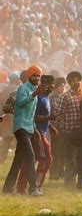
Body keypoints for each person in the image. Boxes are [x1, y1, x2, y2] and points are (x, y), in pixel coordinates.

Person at [2, 66, 46, 196]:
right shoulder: (23, 88)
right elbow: (20, 104)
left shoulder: (34, 90)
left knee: (18, 159)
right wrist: (34, 94)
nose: (37, 78)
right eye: (34, 76)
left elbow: (30, 113)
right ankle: (33, 189)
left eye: (39, 76)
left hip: (28, 127)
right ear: (29, 76)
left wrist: (35, 129)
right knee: (30, 156)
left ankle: (7, 188)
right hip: (20, 127)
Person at [17, 75, 57, 194]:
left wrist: (51, 126)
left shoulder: (45, 97)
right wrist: (49, 118)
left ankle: (22, 187)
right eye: (51, 84)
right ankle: (35, 186)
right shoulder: (39, 98)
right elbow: (33, 116)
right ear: (44, 85)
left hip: (41, 132)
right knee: (46, 160)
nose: (52, 86)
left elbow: (43, 117)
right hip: (37, 134)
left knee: (31, 160)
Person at [58, 71, 82, 187]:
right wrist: (62, 130)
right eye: (73, 80)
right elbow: (59, 114)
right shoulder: (65, 96)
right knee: (70, 159)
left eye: (77, 80)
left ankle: (80, 182)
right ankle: (69, 182)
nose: (76, 82)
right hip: (69, 132)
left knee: (80, 158)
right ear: (69, 83)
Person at [0, 71, 21, 164]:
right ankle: (18, 162)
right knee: (19, 143)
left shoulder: (4, 91)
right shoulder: (18, 90)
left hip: (6, 119)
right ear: (16, 80)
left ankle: (1, 160)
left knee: (5, 144)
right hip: (16, 120)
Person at [48, 77, 67, 180]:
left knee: (62, 151)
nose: (63, 88)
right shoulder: (51, 97)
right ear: (56, 86)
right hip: (54, 128)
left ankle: (61, 172)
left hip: (62, 128)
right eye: (61, 86)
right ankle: (53, 173)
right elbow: (53, 112)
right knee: (55, 151)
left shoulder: (64, 97)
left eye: (64, 86)